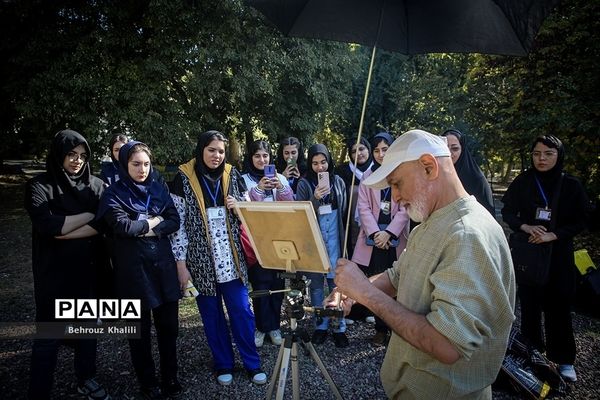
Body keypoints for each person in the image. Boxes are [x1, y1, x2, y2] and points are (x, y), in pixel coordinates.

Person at [329, 129, 516, 398]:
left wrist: (366, 293)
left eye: (397, 183)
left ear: (428, 167)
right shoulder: (432, 221)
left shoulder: (467, 236)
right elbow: (397, 277)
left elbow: (447, 345)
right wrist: (352, 294)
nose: (394, 197)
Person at [169, 130, 267, 386]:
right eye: (211, 150)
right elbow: (178, 226)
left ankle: (252, 363)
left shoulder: (232, 174)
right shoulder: (183, 178)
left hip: (230, 259)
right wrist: (180, 264)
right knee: (212, 316)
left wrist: (239, 208)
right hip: (200, 261)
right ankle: (224, 363)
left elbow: (249, 215)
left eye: (221, 151)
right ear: (201, 150)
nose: (217, 155)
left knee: (242, 312)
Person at [25, 129, 110, 400]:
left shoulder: (95, 186)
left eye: (82, 156)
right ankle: (39, 391)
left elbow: (104, 223)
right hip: (54, 273)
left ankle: (86, 378)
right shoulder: (39, 186)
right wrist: (87, 214)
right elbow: (47, 225)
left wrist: (63, 228)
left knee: (87, 330)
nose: (77, 161)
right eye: (71, 155)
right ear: (59, 154)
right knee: (49, 335)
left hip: (88, 270)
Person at [97, 141, 182, 399]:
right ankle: (148, 382)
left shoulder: (158, 188)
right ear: (124, 164)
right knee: (139, 332)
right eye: (136, 164)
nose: (142, 169)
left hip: (163, 268)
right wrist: (155, 221)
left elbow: (174, 221)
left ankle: (170, 378)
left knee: (169, 328)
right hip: (133, 272)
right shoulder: (113, 194)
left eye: (146, 164)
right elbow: (122, 228)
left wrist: (144, 225)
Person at [501, 135, 588, 382]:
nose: (541, 159)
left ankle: (564, 360)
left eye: (548, 154)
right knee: (529, 306)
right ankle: (532, 354)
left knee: (558, 307)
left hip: (558, 255)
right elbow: (508, 211)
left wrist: (554, 234)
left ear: (558, 155)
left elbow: (582, 221)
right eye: (537, 153)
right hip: (529, 253)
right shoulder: (524, 181)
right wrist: (525, 226)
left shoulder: (570, 185)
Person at [350, 132, 410, 345]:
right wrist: (376, 233)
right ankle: (380, 328)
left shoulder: (402, 172)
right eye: (377, 150)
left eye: (385, 149)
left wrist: (390, 232)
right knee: (377, 284)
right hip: (373, 241)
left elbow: (406, 207)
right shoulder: (368, 176)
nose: (381, 154)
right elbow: (363, 206)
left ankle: (397, 328)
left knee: (397, 284)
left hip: (394, 240)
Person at [241, 140, 294, 348]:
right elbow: (244, 208)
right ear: (250, 158)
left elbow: (291, 205)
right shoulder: (243, 179)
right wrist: (259, 189)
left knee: (277, 285)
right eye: (257, 156)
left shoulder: (280, 177)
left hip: (280, 239)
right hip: (257, 241)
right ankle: (262, 327)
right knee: (261, 286)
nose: (262, 160)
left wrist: (281, 187)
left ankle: (274, 326)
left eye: (265, 156)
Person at [296, 144, 349, 347]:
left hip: (335, 236)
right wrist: (315, 198)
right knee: (317, 286)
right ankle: (321, 326)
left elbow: (343, 210)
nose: (320, 167)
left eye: (323, 162)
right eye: (315, 163)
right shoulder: (304, 183)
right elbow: (301, 213)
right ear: (310, 163)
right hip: (315, 240)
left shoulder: (338, 181)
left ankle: (339, 326)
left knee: (337, 284)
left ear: (329, 161)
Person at [442, 129, 495, 215]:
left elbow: (488, 215)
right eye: (445, 148)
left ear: (462, 150)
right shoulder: (435, 176)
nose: (449, 153)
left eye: (454, 149)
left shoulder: (477, 179)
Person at [336, 137, 373, 257]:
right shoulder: (342, 172)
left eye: (362, 149)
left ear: (368, 149)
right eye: (353, 151)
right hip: (350, 224)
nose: (358, 153)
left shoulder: (378, 170)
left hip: (374, 221)